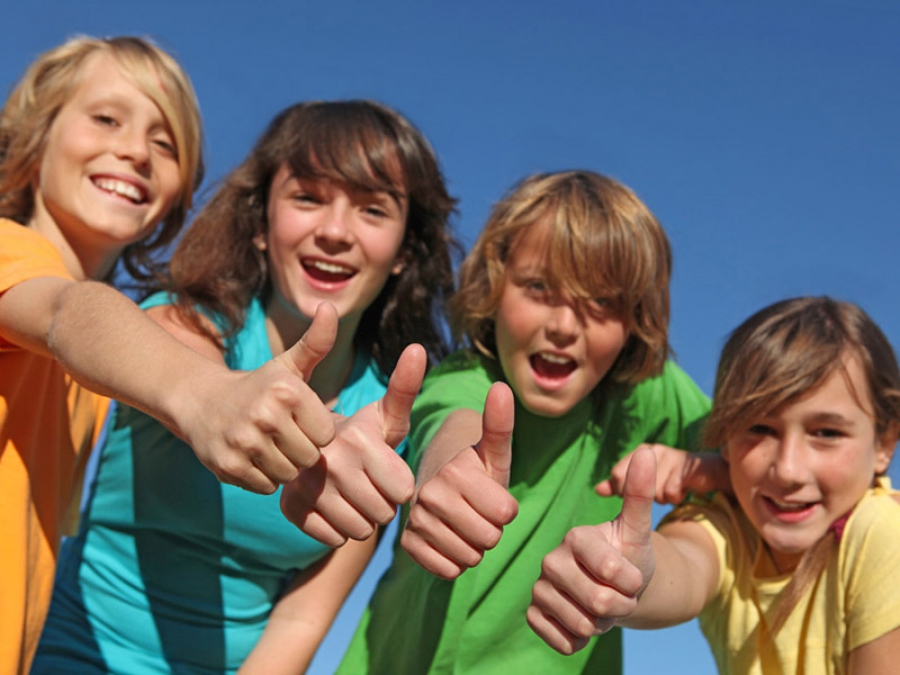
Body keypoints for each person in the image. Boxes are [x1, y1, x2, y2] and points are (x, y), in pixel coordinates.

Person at [32, 99, 459, 674]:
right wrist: (219, 399)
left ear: (405, 250)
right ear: (261, 225)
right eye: (307, 198)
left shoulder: (385, 418)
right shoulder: (183, 324)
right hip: (71, 653)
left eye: (372, 210)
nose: (335, 231)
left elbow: (302, 618)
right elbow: (167, 364)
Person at [0, 36, 349, 674]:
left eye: (166, 144)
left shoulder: (85, 373)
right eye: (106, 118)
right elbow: (66, 312)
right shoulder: (10, 248)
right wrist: (206, 391)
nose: (137, 151)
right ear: (32, 139)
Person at [334, 170, 711, 673]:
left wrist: (703, 467)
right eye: (538, 287)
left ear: (634, 320)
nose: (563, 326)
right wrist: (449, 475)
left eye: (601, 301)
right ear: (494, 286)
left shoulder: (644, 395)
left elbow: (754, 453)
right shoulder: (466, 377)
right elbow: (454, 425)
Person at [528, 296, 900, 674]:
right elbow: (686, 565)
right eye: (759, 428)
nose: (788, 470)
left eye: (827, 433)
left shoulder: (883, 531)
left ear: (885, 442)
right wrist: (626, 573)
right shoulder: (731, 526)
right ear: (723, 436)